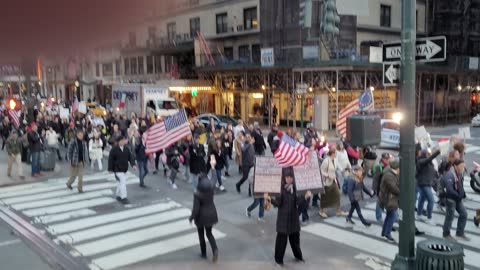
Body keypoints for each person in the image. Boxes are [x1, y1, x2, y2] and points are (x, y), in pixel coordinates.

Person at [264, 169, 310, 266]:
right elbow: (278, 203)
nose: (289, 179)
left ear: (293, 178)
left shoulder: (296, 189)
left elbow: (298, 202)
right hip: (283, 219)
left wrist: (306, 197)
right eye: (287, 177)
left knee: (295, 240)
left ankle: (298, 256)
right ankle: (278, 260)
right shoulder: (280, 189)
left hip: (293, 218)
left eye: (290, 177)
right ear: (284, 178)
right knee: (281, 241)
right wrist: (269, 199)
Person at [189, 174, 219, 262]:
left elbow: (196, 209)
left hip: (201, 217)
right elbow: (214, 178)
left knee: (201, 235)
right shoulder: (211, 190)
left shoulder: (197, 194)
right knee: (209, 233)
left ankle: (203, 253)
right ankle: (215, 250)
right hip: (212, 214)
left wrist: (191, 218)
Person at [442, 159, 469, 241]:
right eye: (461, 166)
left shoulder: (459, 174)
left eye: (463, 166)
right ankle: (446, 234)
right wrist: (458, 195)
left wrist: (463, 194)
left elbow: (460, 185)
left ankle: (460, 233)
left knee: (464, 214)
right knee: (449, 217)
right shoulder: (450, 174)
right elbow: (449, 189)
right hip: (451, 199)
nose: (463, 167)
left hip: (457, 199)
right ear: (456, 165)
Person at [319, 147, 347, 218]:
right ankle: (322, 211)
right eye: (336, 153)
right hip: (326, 182)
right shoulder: (326, 161)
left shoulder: (335, 160)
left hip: (333, 181)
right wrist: (328, 175)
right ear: (333, 153)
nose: (336, 154)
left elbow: (339, 167)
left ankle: (338, 211)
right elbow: (321, 171)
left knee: (337, 194)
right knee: (325, 197)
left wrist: (343, 170)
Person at [108, 136, 137, 204]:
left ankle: (118, 195)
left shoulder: (126, 149)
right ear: (118, 142)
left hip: (124, 169)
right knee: (123, 183)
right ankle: (124, 197)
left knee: (119, 183)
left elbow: (130, 157)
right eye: (121, 141)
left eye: (123, 140)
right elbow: (110, 159)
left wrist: (133, 165)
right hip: (117, 169)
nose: (123, 142)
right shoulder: (114, 149)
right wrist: (110, 169)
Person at [416, 148, 441, 225]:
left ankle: (419, 214)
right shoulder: (422, 161)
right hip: (424, 183)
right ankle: (429, 218)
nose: (429, 155)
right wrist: (438, 151)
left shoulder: (428, 162)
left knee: (422, 199)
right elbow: (429, 159)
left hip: (427, 183)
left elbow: (432, 171)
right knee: (431, 200)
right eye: (427, 153)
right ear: (424, 154)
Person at [372, 153, 393, 222]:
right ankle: (379, 217)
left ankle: (392, 216)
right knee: (379, 202)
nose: (389, 160)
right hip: (380, 188)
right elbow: (375, 178)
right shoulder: (379, 166)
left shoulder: (390, 165)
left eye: (389, 158)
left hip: (387, 187)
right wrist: (374, 189)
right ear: (384, 159)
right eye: (387, 159)